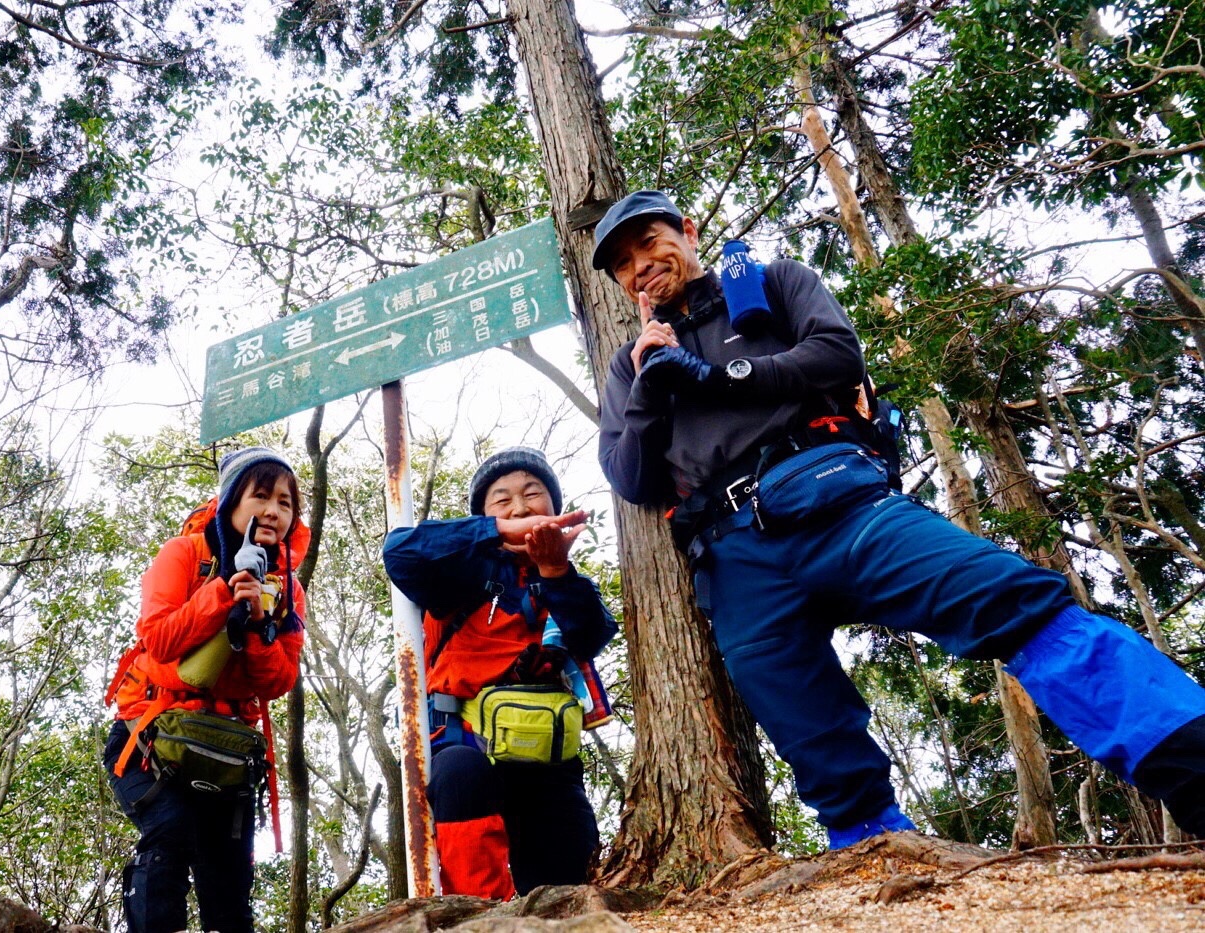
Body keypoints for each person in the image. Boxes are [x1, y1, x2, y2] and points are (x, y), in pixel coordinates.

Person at [594, 189, 1205, 848]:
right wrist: (650, 384)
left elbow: (836, 354)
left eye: (648, 242)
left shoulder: (772, 283)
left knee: (1011, 601)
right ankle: (877, 851)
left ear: (687, 231)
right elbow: (631, 478)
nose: (640, 266)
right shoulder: (628, 365)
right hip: (734, 553)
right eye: (623, 263)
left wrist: (718, 376)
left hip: (837, 501)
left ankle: (1194, 763)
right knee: (803, 720)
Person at [383, 447, 617, 898]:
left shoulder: (566, 582)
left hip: (547, 755)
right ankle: (479, 916)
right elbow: (399, 553)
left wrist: (555, 570)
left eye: (533, 494)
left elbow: (590, 634)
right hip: (465, 741)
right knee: (461, 775)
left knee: (568, 882)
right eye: (502, 499)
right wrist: (494, 532)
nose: (521, 508)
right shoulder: (460, 572)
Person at [103, 447, 308, 932]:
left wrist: (256, 624)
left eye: (285, 502)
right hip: (149, 737)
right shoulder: (184, 554)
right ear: (231, 501)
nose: (273, 511)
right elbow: (158, 640)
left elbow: (279, 681)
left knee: (229, 882)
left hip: (227, 753)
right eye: (261, 496)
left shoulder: (287, 589)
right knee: (169, 832)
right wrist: (223, 589)